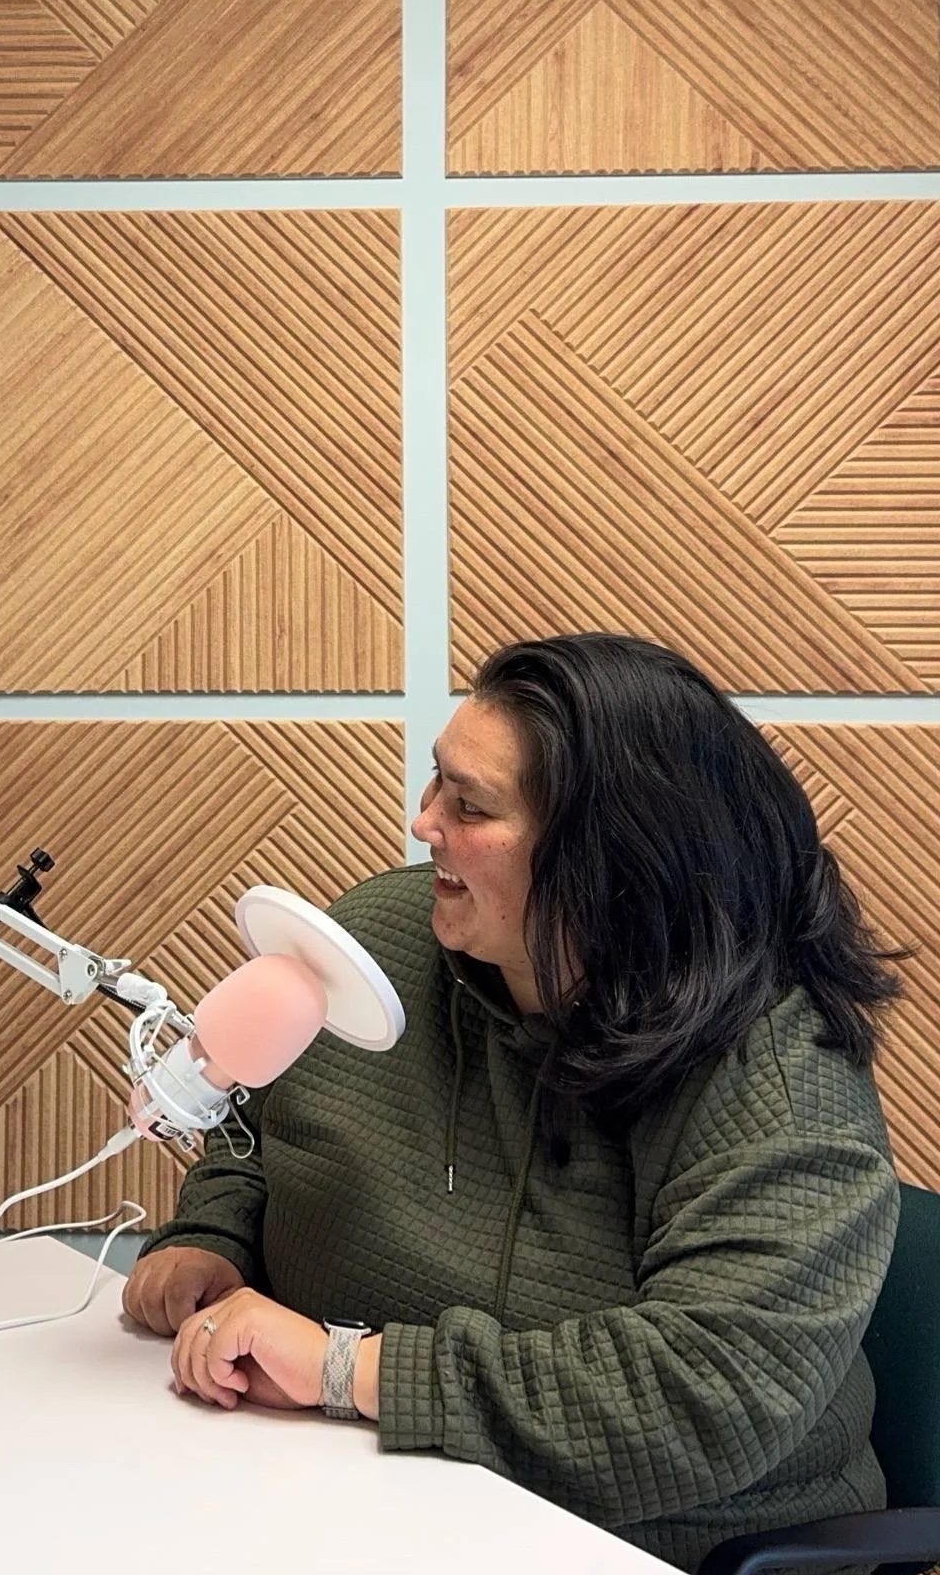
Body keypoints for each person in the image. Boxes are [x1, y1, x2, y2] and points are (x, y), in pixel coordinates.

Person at [124, 632, 903, 1571]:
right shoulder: (381, 939)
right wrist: (213, 1234)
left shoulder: (777, 1076)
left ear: (610, 857)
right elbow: (257, 1120)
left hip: (654, 1546)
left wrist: (347, 1368)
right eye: (435, 783)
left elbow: (708, 1395)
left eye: (471, 805)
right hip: (361, 1493)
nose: (424, 824)